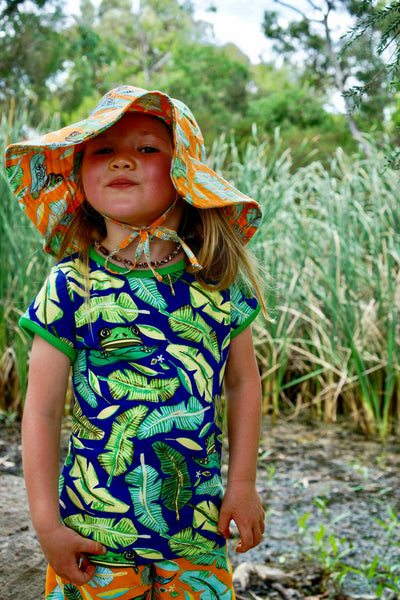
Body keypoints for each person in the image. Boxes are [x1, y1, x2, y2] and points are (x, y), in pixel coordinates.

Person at [5, 85, 266, 600]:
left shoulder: (216, 283)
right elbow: (40, 412)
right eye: (103, 150)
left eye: (147, 149)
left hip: (198, 532)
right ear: (79, 176)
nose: (122, 159)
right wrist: (46, 524)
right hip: (95, 535)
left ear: (183, 172)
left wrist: (242, 484)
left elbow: (242, 384)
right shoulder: (70, 285)